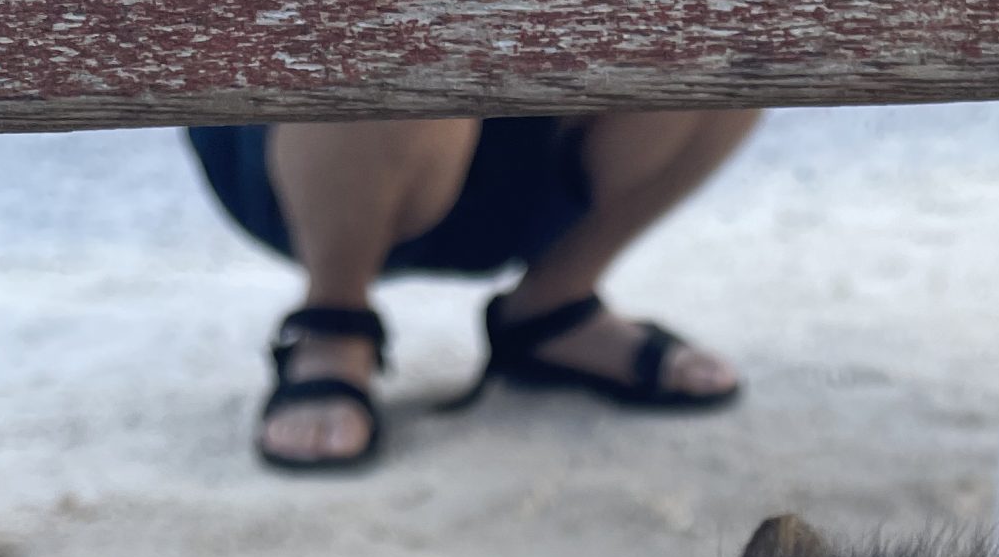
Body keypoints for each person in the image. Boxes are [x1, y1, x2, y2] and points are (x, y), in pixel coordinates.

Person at [186, 112, 758, 472]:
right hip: (299, 141)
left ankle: (554, 302)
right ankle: (335, 313)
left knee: (735, 24)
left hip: (533, 111)